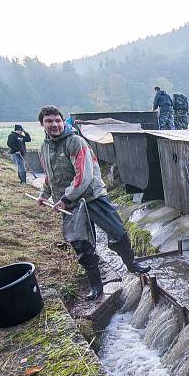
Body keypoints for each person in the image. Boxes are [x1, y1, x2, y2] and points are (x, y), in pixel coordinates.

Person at [36, 105, 150, 301]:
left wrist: (64, 198)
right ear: (42, 124)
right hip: (71, 204)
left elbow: (83, 177)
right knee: (82, 247)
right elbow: (50, 176)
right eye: (49, 121)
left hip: (92, 196)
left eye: (57, 120)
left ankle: (131, 264)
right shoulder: (44, 148)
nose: (54, 125)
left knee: (118, 232)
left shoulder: (76, 143)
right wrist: (44, 194)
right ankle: (96, 286)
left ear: (63, 122)